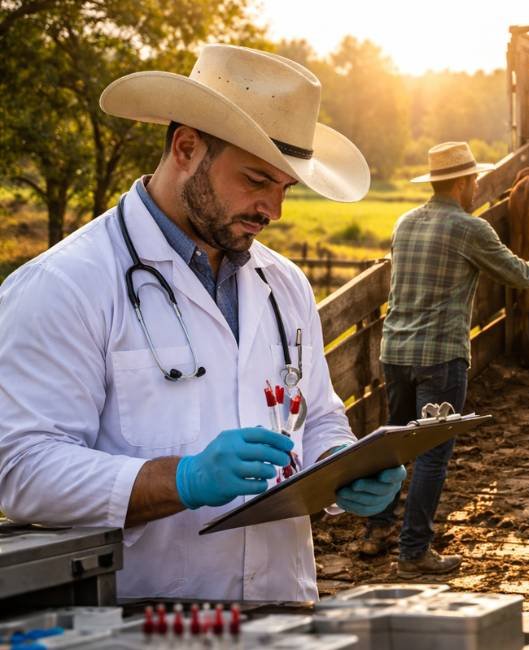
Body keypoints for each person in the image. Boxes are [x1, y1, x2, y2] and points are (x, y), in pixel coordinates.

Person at [0, 44, 406, 602]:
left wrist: (341, 465)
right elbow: (23, 470)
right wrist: (182, 480)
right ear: (187, 147)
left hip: (282, 611)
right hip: (142, 618)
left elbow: (314, 418)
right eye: (257, 179)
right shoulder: (67, 284)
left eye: (285, 188)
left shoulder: (284, 284)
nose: (274, 210)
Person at [360, 141, 529, 577]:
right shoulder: (470, 228)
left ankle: (377, 530)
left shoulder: (405, 222)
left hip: (396, 352)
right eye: (475, 180)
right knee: (432, 454)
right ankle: (413, 551)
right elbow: (516, 275)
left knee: (395, 444)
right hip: (440, 357)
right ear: (462, 183)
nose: (477, 186)